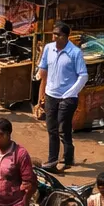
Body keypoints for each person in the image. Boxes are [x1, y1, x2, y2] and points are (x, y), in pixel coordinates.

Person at [36, 23, 88, 170]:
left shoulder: (75, 52)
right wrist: (41, 93)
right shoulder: (48, 48)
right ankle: (52, 160)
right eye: (53, 34)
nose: (54, 37)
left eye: (57, 34)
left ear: (65, 37)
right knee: (51, 128)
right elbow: (43, 70)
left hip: (67, 98)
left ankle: (67, 157)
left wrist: (71, 92)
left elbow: (83, 75)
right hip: (51, 95)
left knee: (63, 128)